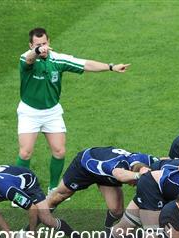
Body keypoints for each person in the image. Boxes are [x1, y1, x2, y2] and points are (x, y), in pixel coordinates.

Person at [16, 27, 130, 195]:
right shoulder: (26, 58)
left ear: (50, 42)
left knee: (59, 151)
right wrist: (37, 51)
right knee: (25, 153)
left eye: (45, 43)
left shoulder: (58, 60)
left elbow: (85, 64)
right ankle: (21, 189)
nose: (43, 47)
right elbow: (29, 59)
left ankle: (53, 188)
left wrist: (111, 67)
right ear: (31, 45)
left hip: (52, 111)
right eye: (38, 44)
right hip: (29, 111)